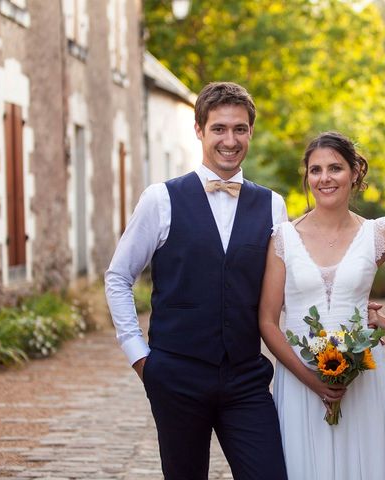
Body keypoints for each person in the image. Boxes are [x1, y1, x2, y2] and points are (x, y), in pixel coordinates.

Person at [105, 82, 289, 480]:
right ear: (199, 130)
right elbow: (118, 277)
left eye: (240, 129)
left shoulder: (273, 205)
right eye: (219, 128)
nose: (230, 139)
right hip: (177, 375)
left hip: (245, 376)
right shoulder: (161, 198)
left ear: (251, 133)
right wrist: (140, 358)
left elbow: (285, 290)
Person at [258, 131, 385, 479]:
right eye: (316, 170)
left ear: (354, 173)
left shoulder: (377, 234)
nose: (325, 178)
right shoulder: (283, 238)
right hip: (299, 376)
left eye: (335, 168)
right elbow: (267, 322)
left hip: (363, 375)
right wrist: (312, 381)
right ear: (306, 176)